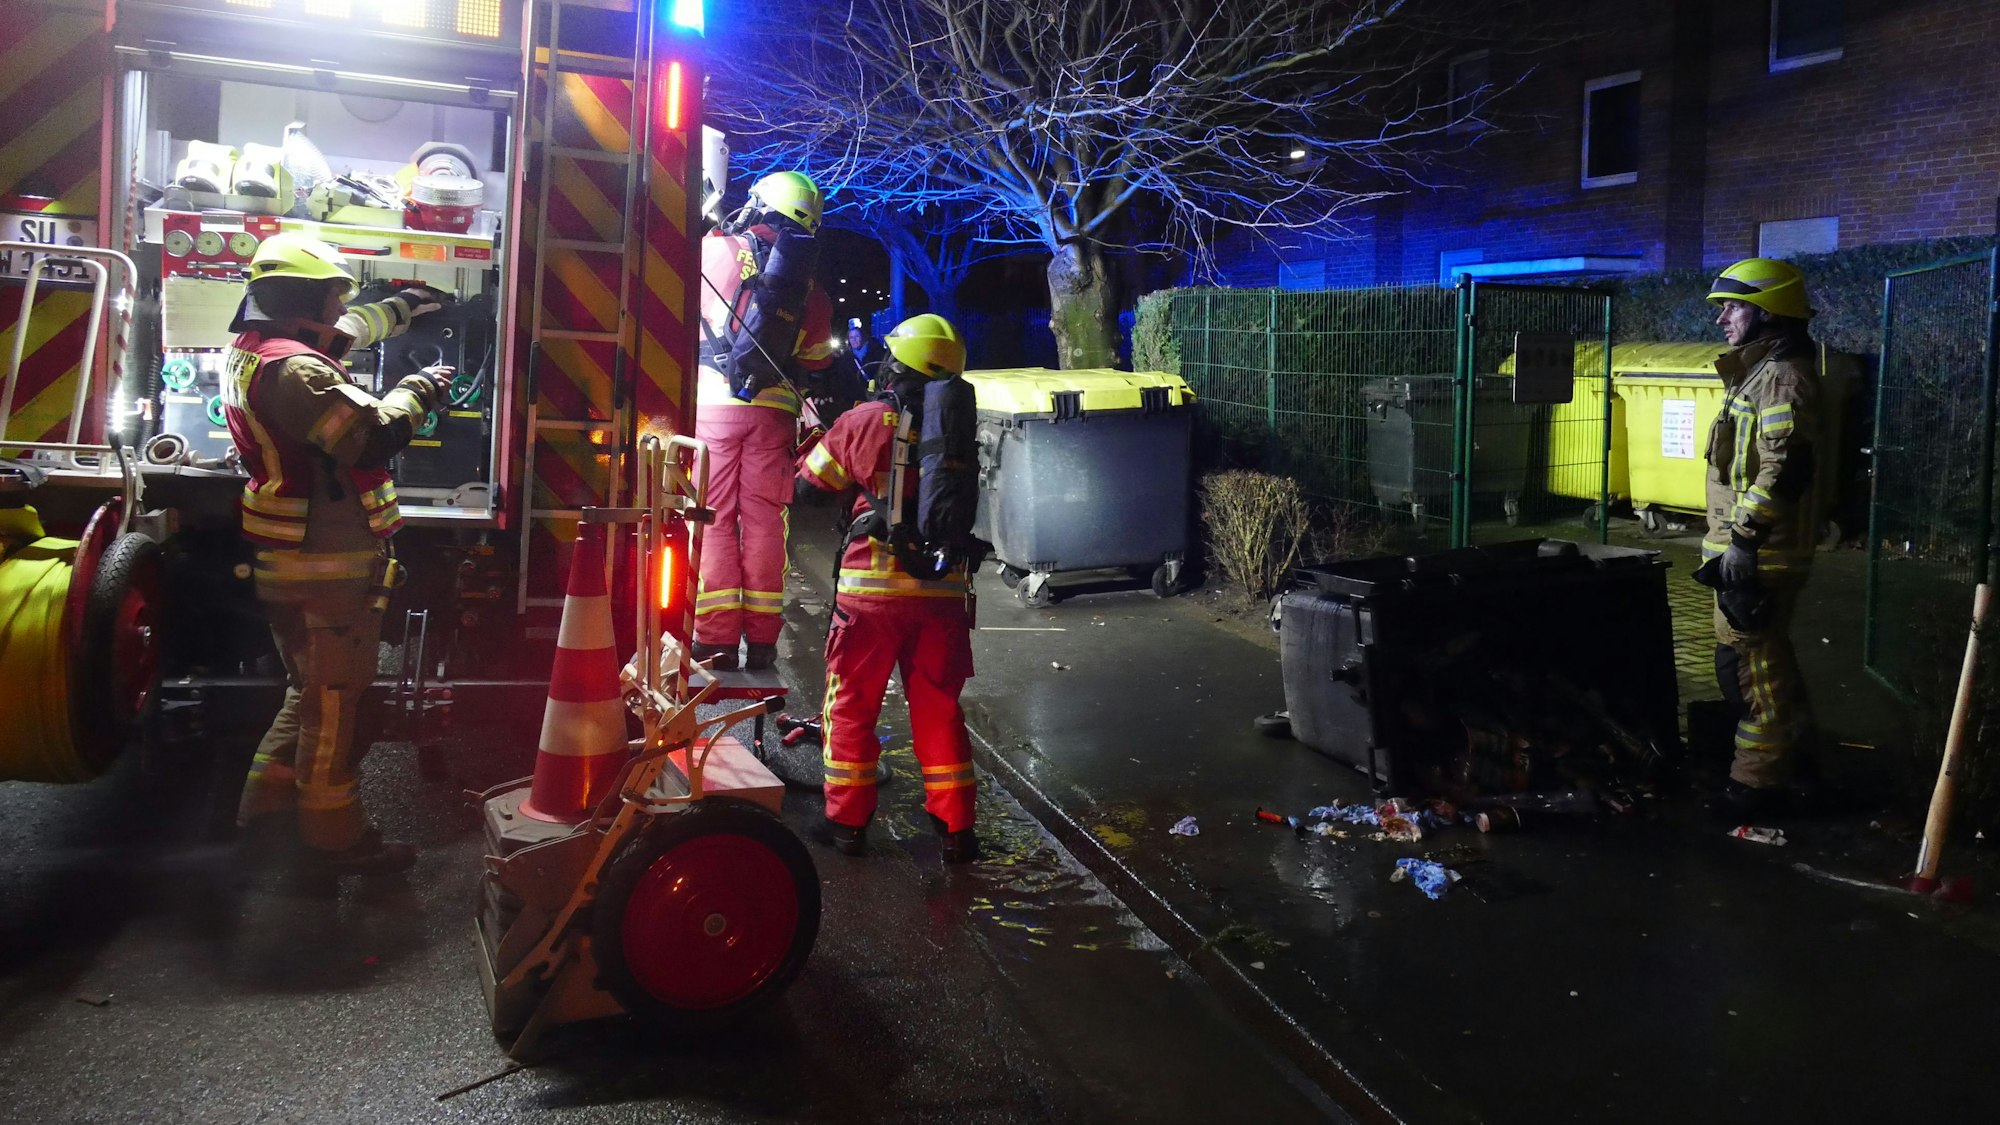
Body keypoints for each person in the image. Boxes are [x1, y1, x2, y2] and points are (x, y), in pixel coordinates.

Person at [225, 232, 449, 876]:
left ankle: (261, 821)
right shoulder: (297, 371)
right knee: (335, 709)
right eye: (329, 296)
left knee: (307, 694)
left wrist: (401, 305)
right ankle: (332, 842)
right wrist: (419, 388)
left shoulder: (254, 351)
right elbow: (370, 438)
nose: (335, 309)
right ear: (304, 300)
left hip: (290, 557)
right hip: (324, 563)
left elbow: (347, 330)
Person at [796, 313, 979, 862]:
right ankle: (957, 831)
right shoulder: (959, 432)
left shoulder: (863, 420)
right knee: (939, 707)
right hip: (943, 592)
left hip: (869, 598)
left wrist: (819, 439)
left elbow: (808, 489)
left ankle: (847, 824)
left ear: (897, 365)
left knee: (850, 706)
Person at [1697, 257, 1823, 821]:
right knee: (1748, 665)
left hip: (1760, 554)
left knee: (1755, 674)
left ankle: (1757, 787)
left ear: (1769, 312)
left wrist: (1745, 540)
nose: (1723, 317)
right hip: (1742, 551)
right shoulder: (1759, 369)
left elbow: (1786, 468)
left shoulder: (1783, 377)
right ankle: (1798, 766)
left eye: (1734, 306)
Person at [693, 170, 834, 670]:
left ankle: (716, 640)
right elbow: (818, 358)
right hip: (774, 415)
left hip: (711, 409)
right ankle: (763, 641)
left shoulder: (714, 251)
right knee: (765, 525)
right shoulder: (808, 284)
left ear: (760, 204)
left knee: (711, 522)